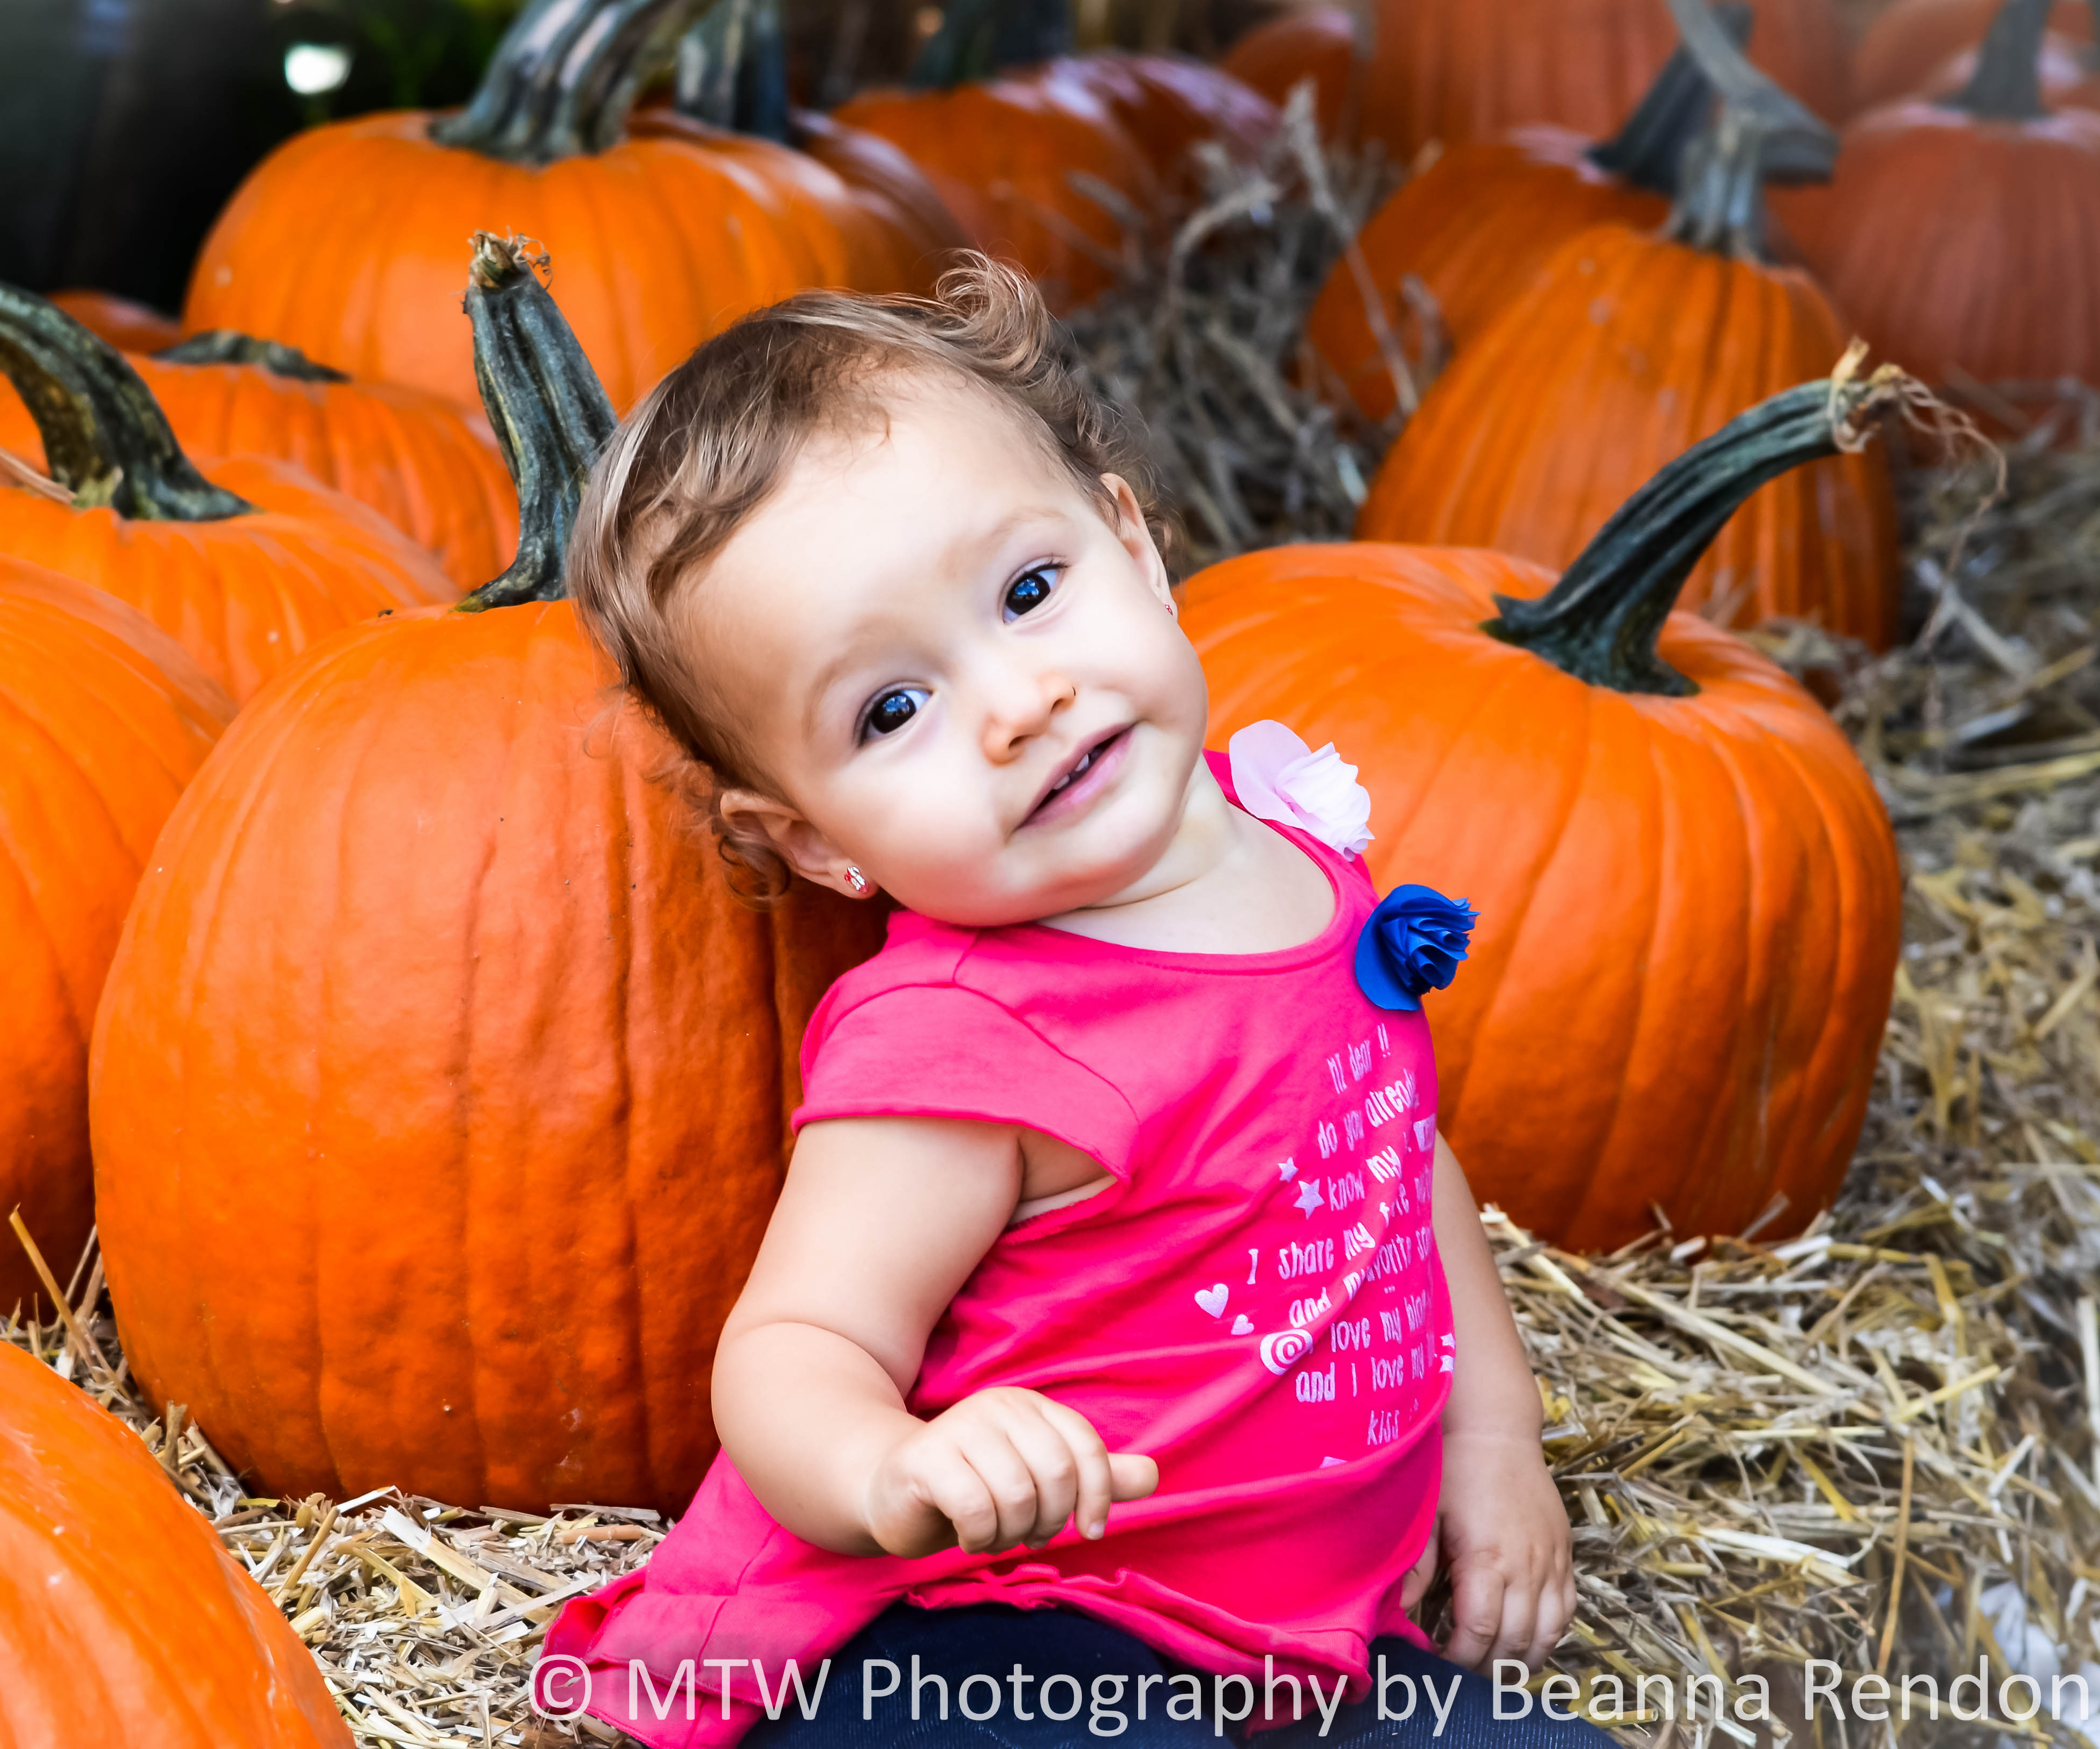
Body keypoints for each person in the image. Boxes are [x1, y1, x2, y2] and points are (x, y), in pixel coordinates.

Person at [544, 256, 1596, 1749]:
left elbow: (1397, 1159)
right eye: (891, 710)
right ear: (820, 841)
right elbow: (793, 1350)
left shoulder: (1299, 858)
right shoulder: (969, 1043)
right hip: (1004, 1624)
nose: (1017, 702)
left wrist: (1497, 1443)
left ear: (1134, 545)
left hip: (1293, 1644)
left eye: (1031, 593)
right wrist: (894, 1472)